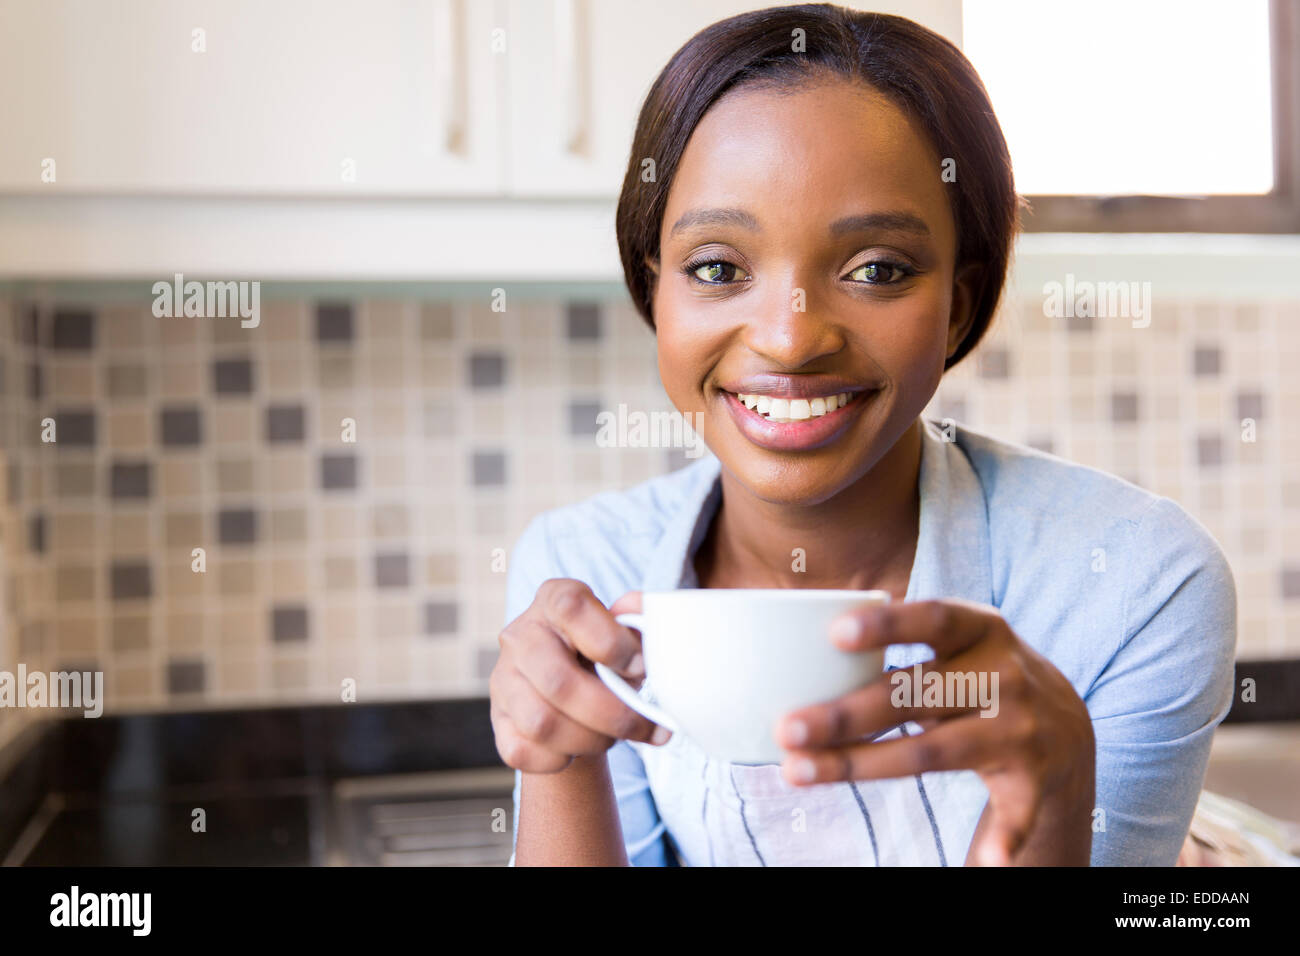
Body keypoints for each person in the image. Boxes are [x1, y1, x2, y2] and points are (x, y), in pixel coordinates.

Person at [489, 3, 1237, 866]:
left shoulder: (1135, 586)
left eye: (876, 270)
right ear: (655, 291)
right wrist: (556, 761)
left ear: (957, 305)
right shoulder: (584, 574)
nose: (791, 337)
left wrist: (1061, 803)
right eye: (718, 269)